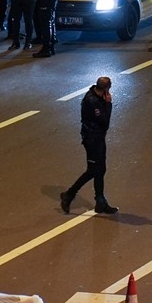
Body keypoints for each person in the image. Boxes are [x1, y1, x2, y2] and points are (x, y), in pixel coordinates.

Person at [59, 76, 118, 215]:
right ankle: (69, 194)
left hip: (98, 138)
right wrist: (108, 104)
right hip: (92, 139)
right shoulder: (92, 101)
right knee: (93, 170)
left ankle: (100, 201)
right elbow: (105, 122)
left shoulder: (96, 95)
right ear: (107, 88)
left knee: (101, 169)